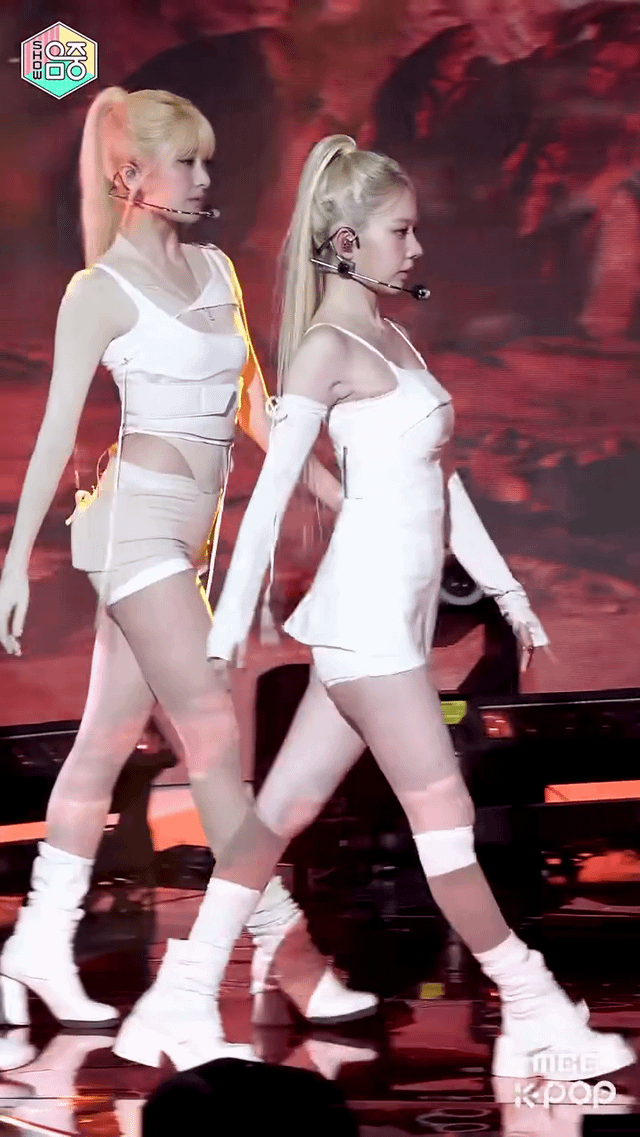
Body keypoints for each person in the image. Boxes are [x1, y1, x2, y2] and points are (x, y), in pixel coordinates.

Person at [114, 134, 635, 1081]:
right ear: (347, 241)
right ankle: (533, 1010)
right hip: (365, 629)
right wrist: (227, 625)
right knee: (447, 819)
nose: (417, 247)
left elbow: (443, 482)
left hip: (383, 626)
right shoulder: (327, 349)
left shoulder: (395, 339)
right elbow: (274, 491)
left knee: (280, 812)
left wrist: (509, 588)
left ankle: (176, 997)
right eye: (402, 231)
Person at [0, 92, 376, 1064]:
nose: (207, 179)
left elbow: (255, 406)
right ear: (132, 175)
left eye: (209, 161)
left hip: (188, 537)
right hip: (132, 530)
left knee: (102, 742)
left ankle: (35, 942)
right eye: (190, 163)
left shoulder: (213, 269)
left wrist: (335, 490)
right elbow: (53, 434)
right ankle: (284, 952)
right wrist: (14, 558)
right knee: (210, 731)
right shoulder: (98, 292)